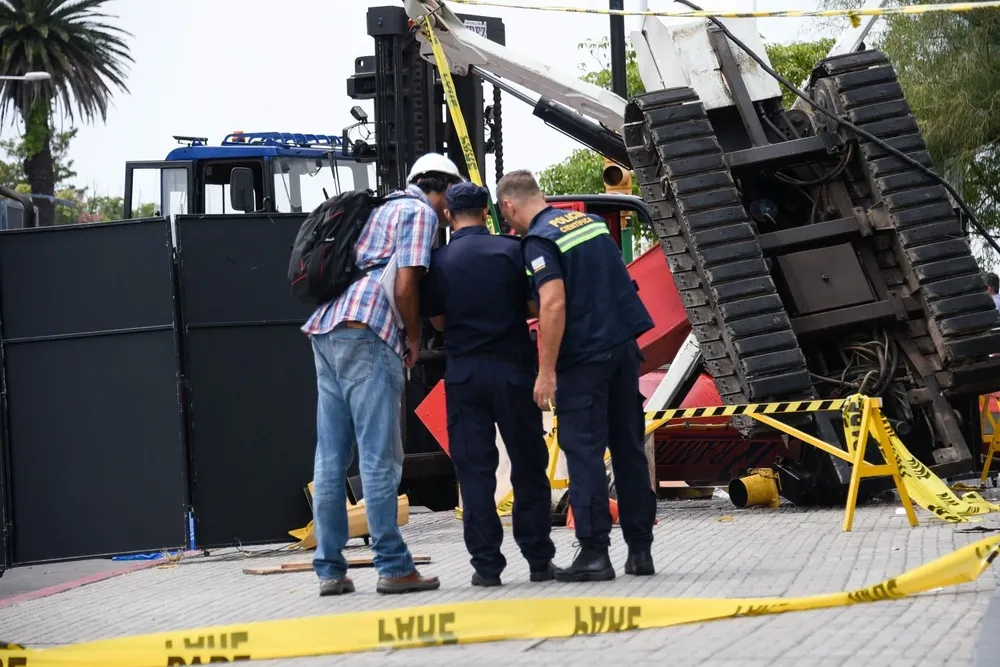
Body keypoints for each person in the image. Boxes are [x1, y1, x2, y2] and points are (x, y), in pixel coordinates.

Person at [302, 153, 463, 596]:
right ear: (445, 190)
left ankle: (330, 570)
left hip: (328, 325)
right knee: (379, 455)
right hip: (370, 332)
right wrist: (414, 337)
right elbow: (407, 283)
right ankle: (392, 565)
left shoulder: (381, 206)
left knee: (330, 457)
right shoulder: (418, 212)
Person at [496, 169, 657, 583]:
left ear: (509, 205)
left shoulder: (539, 239)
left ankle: (593, 553)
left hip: (585, 357)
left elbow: (553, 304)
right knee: (628, 448)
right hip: (623, 349)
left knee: (583, 450)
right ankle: (640, 551)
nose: (508, 225)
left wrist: (545, 371)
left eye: (504, 216)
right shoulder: (589, 223)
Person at [420, 182, 557, 587]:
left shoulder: (438, 261)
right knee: (529, 465)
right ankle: (538, 561)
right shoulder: (513, 251)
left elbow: (439, 321)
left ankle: (486, 566)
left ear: (449, 216)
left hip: (465, 375)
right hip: (514, 371)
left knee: (475, 470)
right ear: (486, 212)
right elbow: (534, 306)